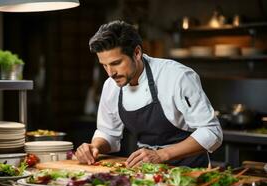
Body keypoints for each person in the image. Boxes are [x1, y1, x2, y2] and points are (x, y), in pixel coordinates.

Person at [75, 20, 222, 168]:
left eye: (116, 63)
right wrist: (95, 147)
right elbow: (108, 132)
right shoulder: (111, 86)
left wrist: (162, 154)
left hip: (190, 172)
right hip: (147, 172)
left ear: (137, 53)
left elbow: (211, 131)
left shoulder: (176, 76)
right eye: (104, 65)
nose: (110, 73)